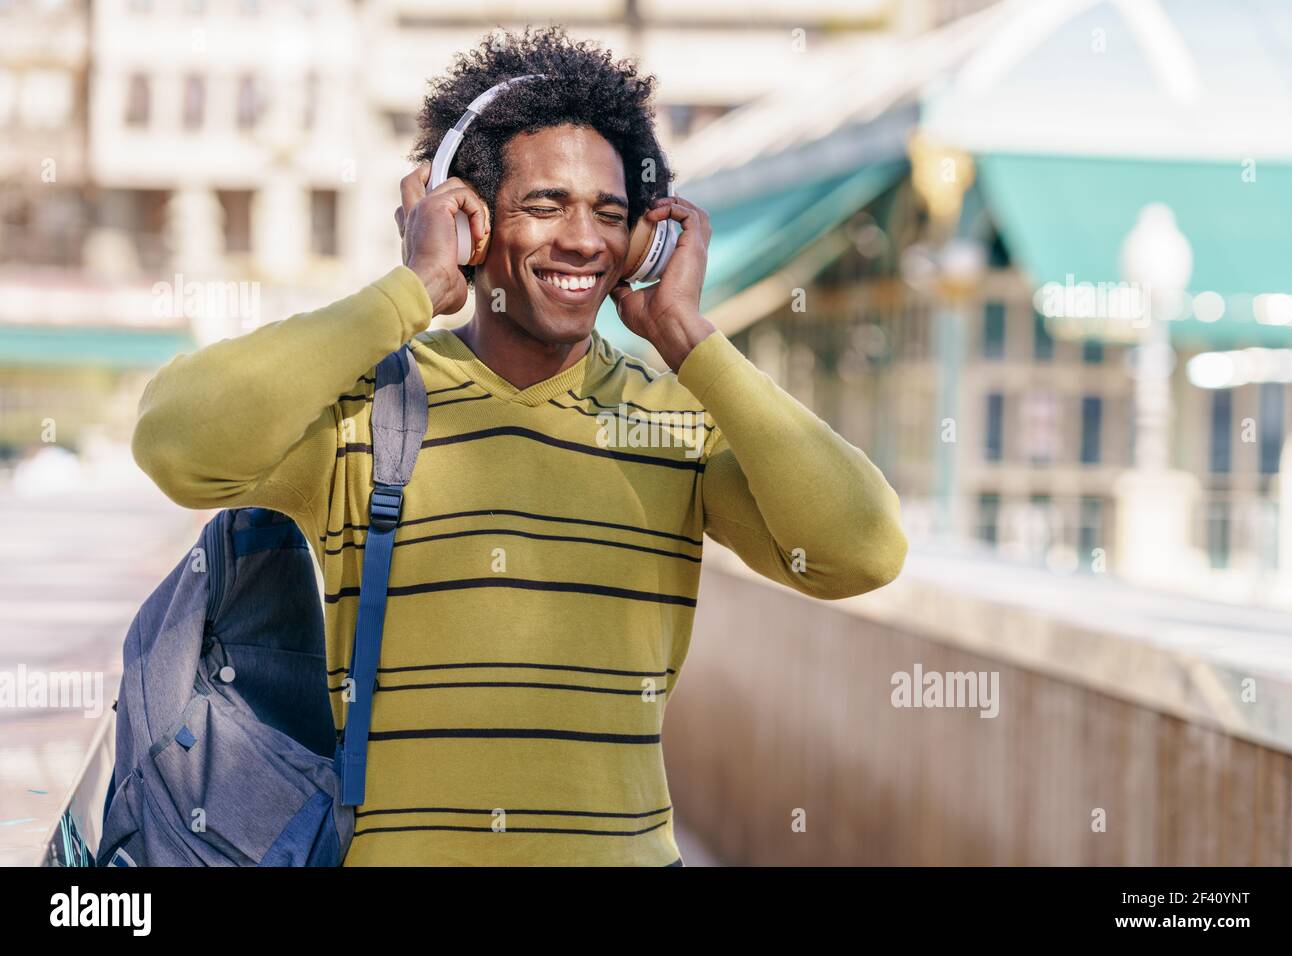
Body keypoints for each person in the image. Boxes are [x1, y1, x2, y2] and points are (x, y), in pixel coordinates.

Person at [131, 25, 907, 866]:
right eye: (544, 206)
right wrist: (412, 290)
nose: (581, 239)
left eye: (610, 216)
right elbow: (177, 441)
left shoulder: (678, 420)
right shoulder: (369, 405)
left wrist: (685, 333)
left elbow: (861, 551)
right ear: (466, 218)